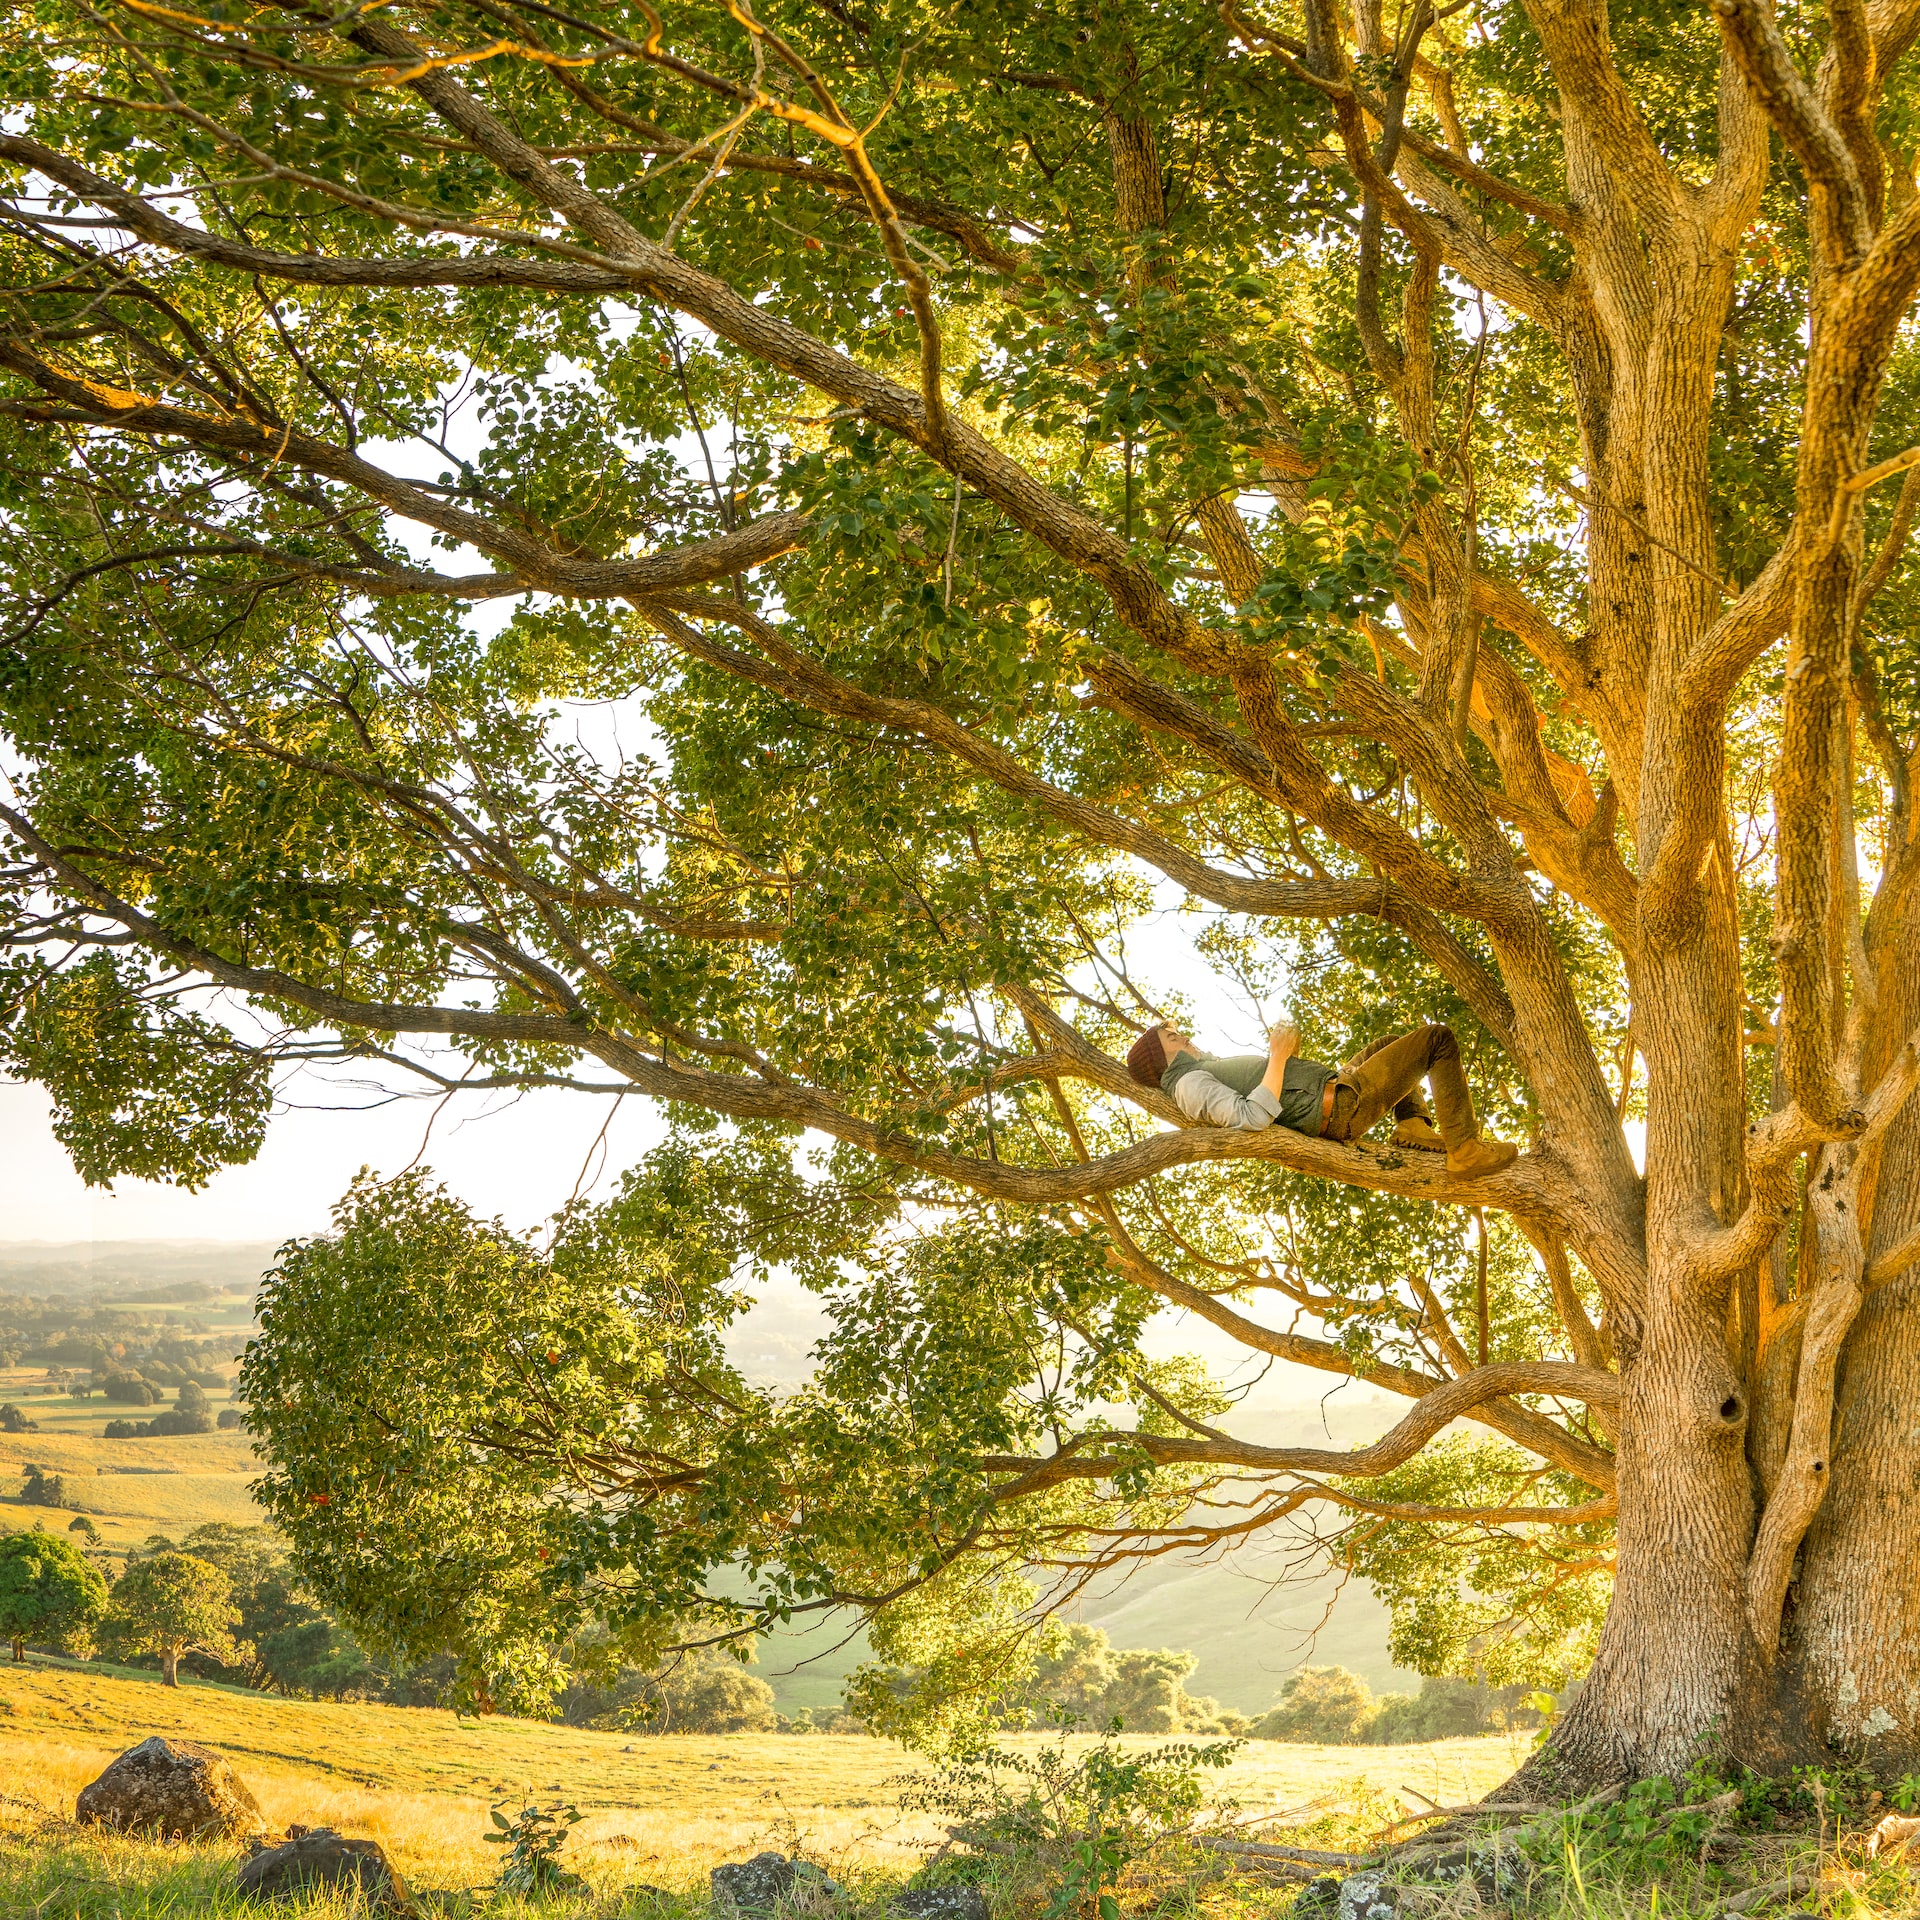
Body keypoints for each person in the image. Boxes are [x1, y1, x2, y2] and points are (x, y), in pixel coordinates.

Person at [1122, 1019, 1519, 1177]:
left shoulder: (1200, 1071)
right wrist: (1277, 1056)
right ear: (1163, 1057)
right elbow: (1252, 1116)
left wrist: (1285, 1060)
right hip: (1338, 1108)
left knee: (1389, 1043)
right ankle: (1464, 1150)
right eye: (1173, 1038)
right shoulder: (1190, 1085)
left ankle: (1412, 1124)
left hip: (1334, 1091)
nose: (1185, 1036)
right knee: (1437, 1039)